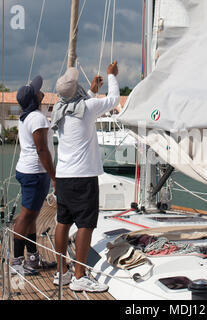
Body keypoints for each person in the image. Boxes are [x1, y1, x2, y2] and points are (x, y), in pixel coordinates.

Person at [51, 61, 120, 292]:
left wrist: (91, 90)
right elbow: (114, 100)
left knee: (63, 222)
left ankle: (61, 273)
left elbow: (78, 103)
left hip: (63, 176)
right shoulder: (87, 108)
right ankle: (80, 276)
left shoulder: (59, 108)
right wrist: (112, 76)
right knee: (85, 225)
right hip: (83, 177)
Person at [12, 75, 57, 275]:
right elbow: (42, 150)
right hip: (35, 173)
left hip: (28, 170)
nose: (41, 92)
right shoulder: (37, 118)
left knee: (32, 216)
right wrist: (54, 177)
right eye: (38, 91)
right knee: (26, 216)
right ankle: (17, 262)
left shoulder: (25, 115)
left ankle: (32, 258)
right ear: (34, 98)